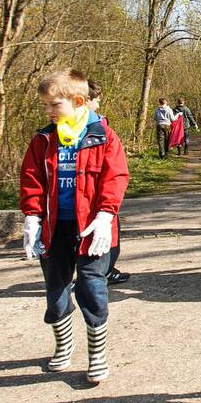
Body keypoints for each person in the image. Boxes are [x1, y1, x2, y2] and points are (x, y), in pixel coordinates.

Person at [20, 69, 129, 384]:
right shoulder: (43, 140)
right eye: (46, 106)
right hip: (55, 230)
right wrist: (32, 217)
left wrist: (106, 215)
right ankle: (64, 346)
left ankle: (97, 355)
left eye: (55, 105)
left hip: (93, 228)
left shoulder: (104, 137)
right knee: (55, 290)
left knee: (91, 286)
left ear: (78, 101)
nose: (48, 111)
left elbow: (116, 177)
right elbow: (31, 179)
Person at [87, 80, 130, 286]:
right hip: (92, 198)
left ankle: (105, 270)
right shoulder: (98, 129)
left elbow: (116, 172)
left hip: (103, 198)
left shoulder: (103, 128)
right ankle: (100, 273)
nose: (98, 105)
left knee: (110, 233)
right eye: (95, 100)